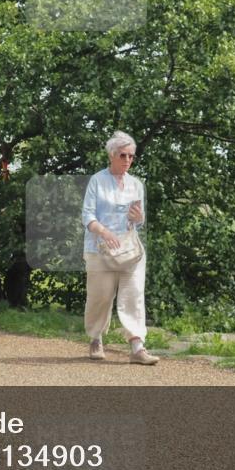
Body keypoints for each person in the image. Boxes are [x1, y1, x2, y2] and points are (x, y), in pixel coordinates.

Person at [81, 131, 158, 365]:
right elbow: (87, 216)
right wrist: (104, 232)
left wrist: (139, 217)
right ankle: (96, 338)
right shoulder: (97, 180)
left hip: (130, 249)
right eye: (123, 155)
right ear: (112, 155)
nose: (127, 160)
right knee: (100, 296)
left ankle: (137, 346)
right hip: (99, 248)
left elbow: (139, 220)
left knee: (133, 295)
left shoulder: (136, 185)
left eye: (131, 156)